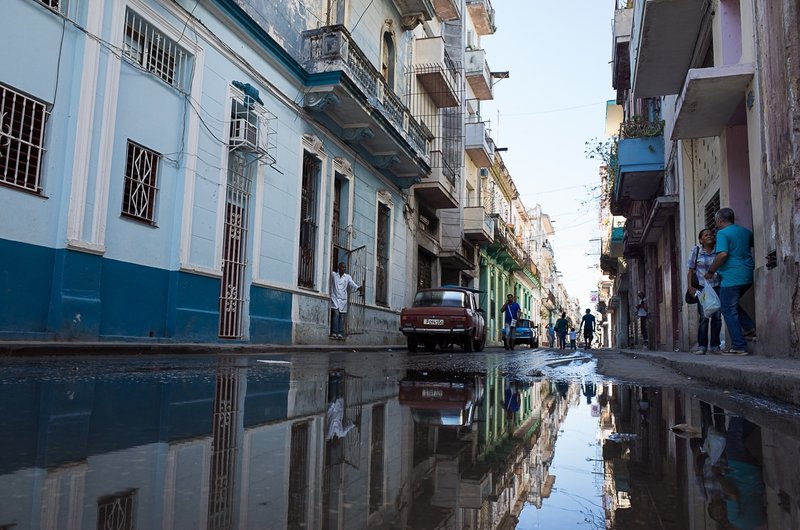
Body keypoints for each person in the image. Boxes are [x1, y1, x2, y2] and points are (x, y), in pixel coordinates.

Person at [705, 208, 756, 355]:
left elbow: (723, 254)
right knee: (731, 304)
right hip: (747, 274)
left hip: (731, 277)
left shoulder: (722, 233)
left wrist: (711, 271)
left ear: (720, 220)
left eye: (716, 221)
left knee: (727, 309)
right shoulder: (745, 232)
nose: (716, 224)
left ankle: (739, 346)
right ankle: (749, 327)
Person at [688, 228, 722, 354]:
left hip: (717, 287)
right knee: (704, 316)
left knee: (717, 317)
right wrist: (690, 287)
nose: (709, 236)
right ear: (701, 240)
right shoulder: (696, 251)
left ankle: (715, 346)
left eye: (711, 234)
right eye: (705, 235)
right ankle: (702, 346)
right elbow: (690, 270)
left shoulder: (718, 250)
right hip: (702, 289)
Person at [330, 262, 362, 339]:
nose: (343, 269)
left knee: (342, 317)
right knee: (336, 314)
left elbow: (352, 283)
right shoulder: (334, 275)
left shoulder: (347, 277)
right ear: (339, 267)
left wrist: (358, 287)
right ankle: (334, 332)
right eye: (342, 267)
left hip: (343, 300)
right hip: (335, 298)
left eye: (345, 267)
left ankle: (340, 333)